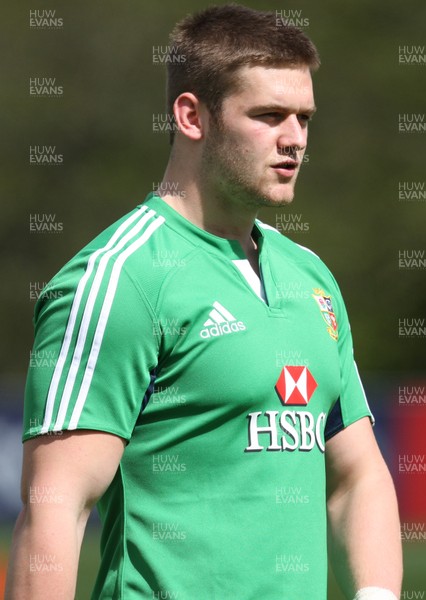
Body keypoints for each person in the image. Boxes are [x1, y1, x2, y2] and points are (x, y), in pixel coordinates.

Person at [6, 5, 402, 599]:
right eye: (268, 116)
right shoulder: (118, 278)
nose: (294, 138)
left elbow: (356, 476)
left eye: (304, 117)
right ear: (192, 116)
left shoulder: (311, 276)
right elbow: (54, 511)